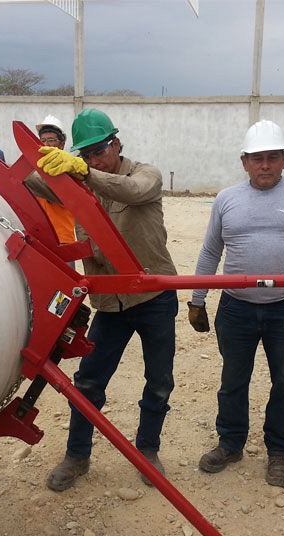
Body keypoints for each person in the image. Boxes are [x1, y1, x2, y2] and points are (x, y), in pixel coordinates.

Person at [187, 120, 284, 488]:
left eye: (273, 157)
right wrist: (197, 299)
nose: (265, 165)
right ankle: (230, 443)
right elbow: (211, 250)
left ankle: (279, 452)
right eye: (257, 159)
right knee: (232, 381)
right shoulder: (227, 199)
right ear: (244, 162)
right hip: (236, 308)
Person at [35, 108, 179, 491]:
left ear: (116, 144)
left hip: (154, 298)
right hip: (110, 305)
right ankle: (77, 456)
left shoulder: (145, 174)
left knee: (159, 381)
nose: (94, 160)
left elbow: (134, 191)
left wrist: (84, 173)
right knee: (88, 382)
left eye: (99, 151)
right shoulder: (77, 182)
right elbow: (30, 182)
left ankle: (147, 451)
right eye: (85, 154)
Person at [33, 115, 77, 262]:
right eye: (43, 140)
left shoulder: (67, 167)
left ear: (62, 144)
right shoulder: (36, 167)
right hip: (40, 238)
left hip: (62, 238)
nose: (46, 144)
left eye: (51, 140)